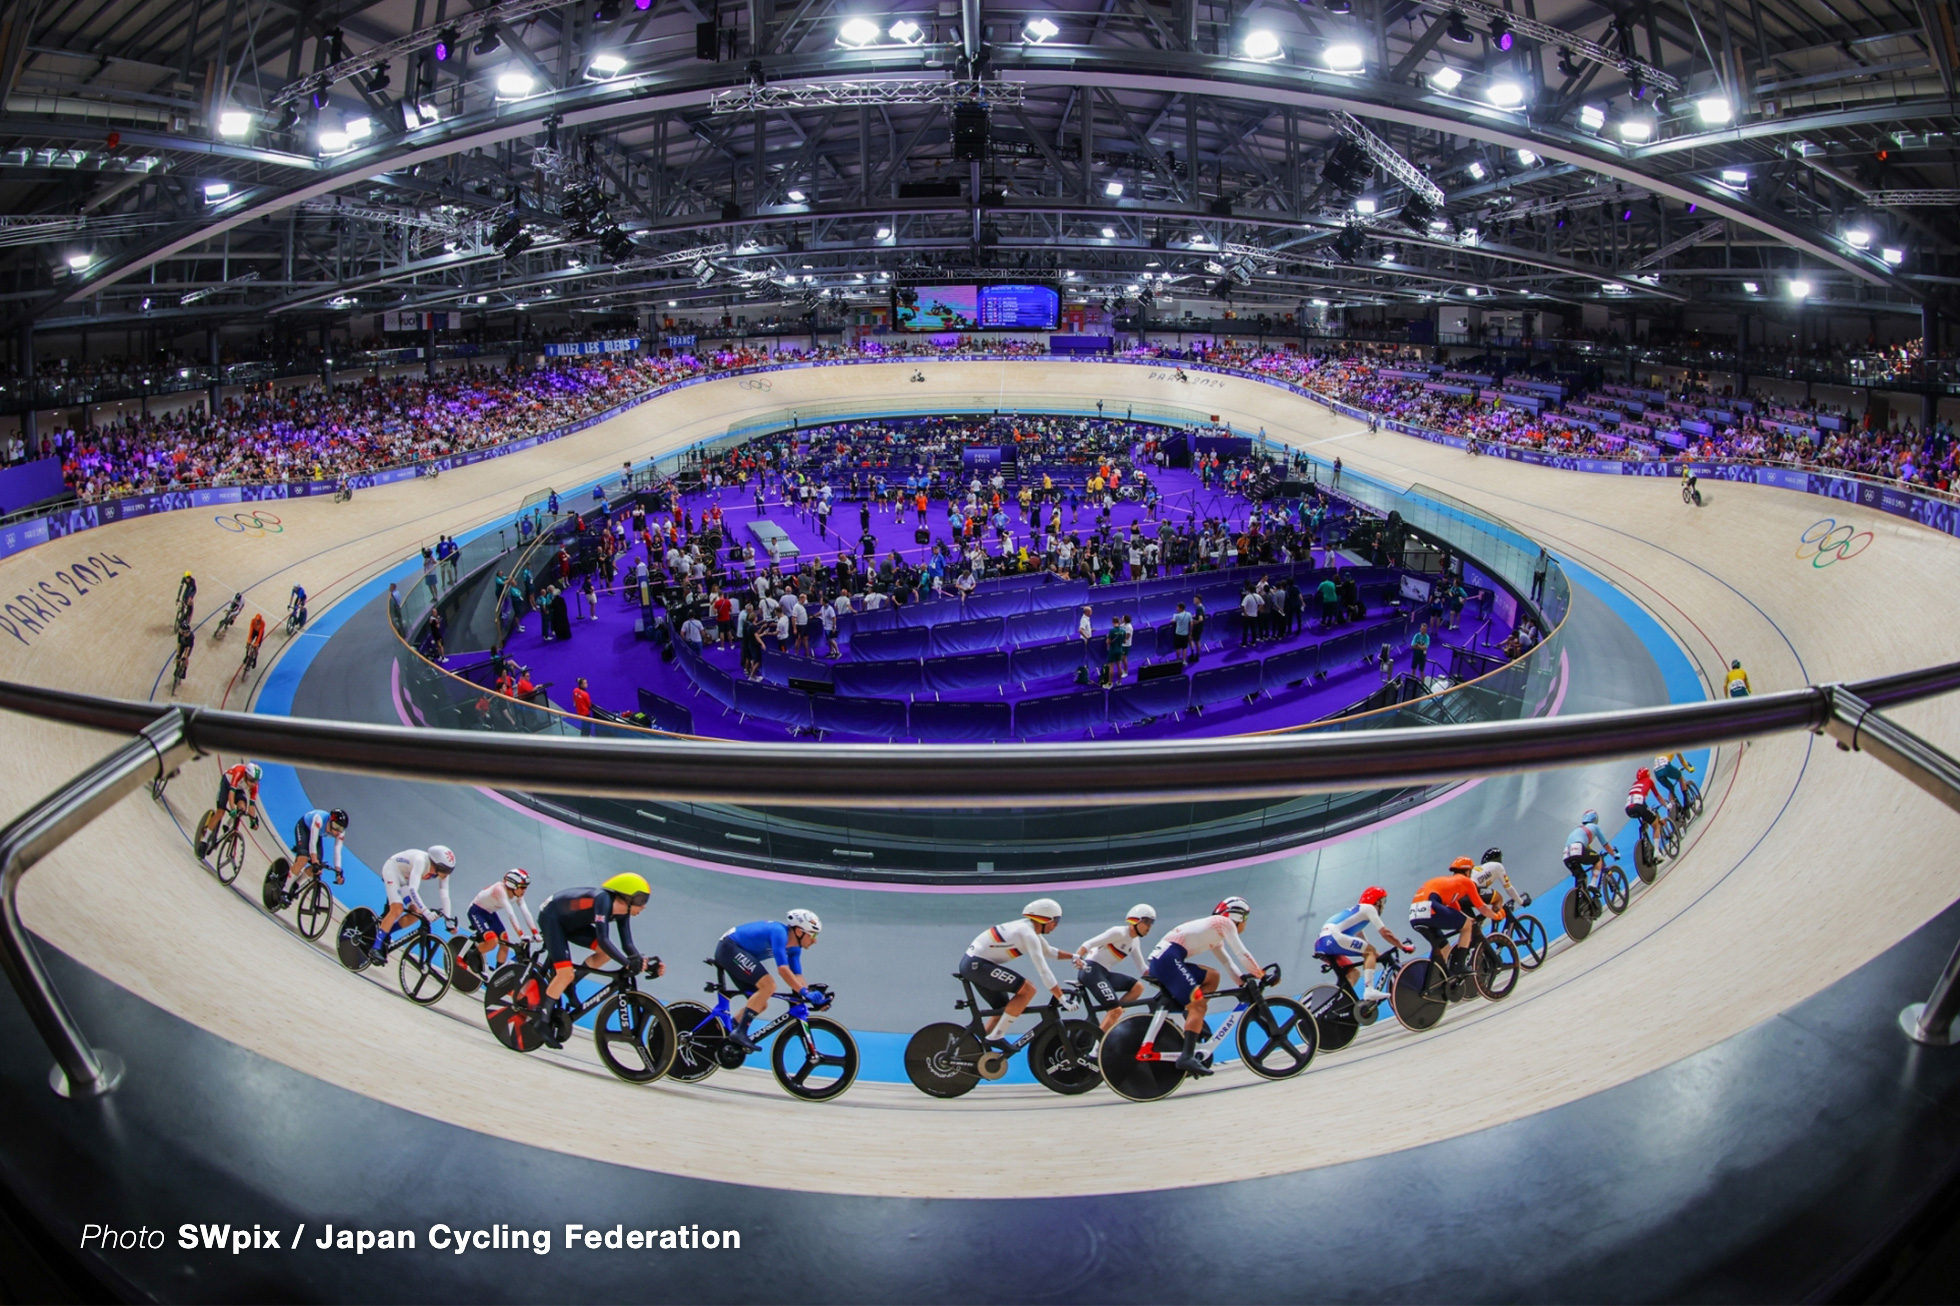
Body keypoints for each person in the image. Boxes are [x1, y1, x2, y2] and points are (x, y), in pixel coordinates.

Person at [1143, 898, 1260, 1075]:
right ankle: (1186, 1057)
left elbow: (1228, 963)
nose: (1245, 925)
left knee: (1212, 976)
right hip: (1167, 960)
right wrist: (1262, 975)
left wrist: (1243, 981)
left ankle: (1189, 1019)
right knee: (1198, 1004)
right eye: (1246, 920)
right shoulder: (1224, 922)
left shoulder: (1215, 932)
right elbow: (1241, 953)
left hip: (1165, 959)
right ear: (1238, 916)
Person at [531, 874, 661, 1026]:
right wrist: (627, 963)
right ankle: (542, 1021)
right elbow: (603, 940)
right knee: (564, 974)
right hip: (552, 918)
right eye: (642, 900)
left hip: (572, 922)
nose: (644, 906)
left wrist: (643, 963)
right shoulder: (603, 900)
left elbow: (628, 945)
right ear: (627, 897)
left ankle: (570, 983)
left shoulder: (623, 912)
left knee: (605, 955)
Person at [960, 899, 1075, 1051]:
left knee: (1004, 1009)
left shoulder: (1028, 928)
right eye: (1056, 920)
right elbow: (1043, 971)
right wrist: (1062, 999)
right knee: (1028, 989)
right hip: (977, 965)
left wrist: (1074, 957)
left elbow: (1049, 951)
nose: (1057, 925)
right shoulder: (1028, 934)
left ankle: (978, 1049)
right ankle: (996, 1037)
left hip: (975, 964)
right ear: (1045, 919)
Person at [715, 909, 824, 1051]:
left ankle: (728, 1031)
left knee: (760, 1003)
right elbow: (783, 970)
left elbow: (797, 976)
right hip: (729, 948)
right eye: (813, 934)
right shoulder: (779, 933)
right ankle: (740, 1032)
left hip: (736, 952)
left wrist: (812, 996)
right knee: (768, 986)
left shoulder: (795, 949)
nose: (815, 940)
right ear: (799, 932)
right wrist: (804, 992)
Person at [1315, 887, 1411, 1005]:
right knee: (1369, 952)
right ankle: (1369, 990)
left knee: (1353, 972)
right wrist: (1402, 946)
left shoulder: (1356, 916)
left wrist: (1378, 957)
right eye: (1383, 901)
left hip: (1322, 942)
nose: (1384, 906)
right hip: (1333, 937)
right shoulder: (1369, 908)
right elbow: (1385, 933)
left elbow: (1364, 944)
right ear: (1376, 902)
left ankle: (1337, 1004)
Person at [1408, 857, 1501, 972]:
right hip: (1429, 907)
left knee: (1444, 948)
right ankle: (1459, 965)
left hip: (1414, 915)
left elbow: (1455, 908)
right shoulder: (1466, 882)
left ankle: (1440, 979)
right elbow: (1482, 908)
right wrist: (1497, 916)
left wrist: (1468, 918)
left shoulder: (1450, 884)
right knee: (1466, 926)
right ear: (1468, 871)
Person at [1073, 905, 1155, 1034]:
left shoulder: (1135, 941)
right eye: (1147, 921)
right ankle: (1095, 1051)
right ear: (1135, 920)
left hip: (1103, 972)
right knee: (1115, 1011)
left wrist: (1165, 975)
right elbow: (1088, 943)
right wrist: (1077, 957)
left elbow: (1143, 969)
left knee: (1137, 988)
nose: (1150, 926)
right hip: (1091, 970)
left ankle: (1110, 1020)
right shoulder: (1118, 932)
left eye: (1152, 922)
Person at [372, 845, 457, 964]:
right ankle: (375, 947)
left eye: (450, 870)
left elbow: (444, 895)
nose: (448, 874)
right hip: (393, 871)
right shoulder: (421, 861)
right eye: (446, 870)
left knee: (416, 913)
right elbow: (413, 890)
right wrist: (427, 912)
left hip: (405, 879)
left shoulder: (442, 872)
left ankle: (387, 932)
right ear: (437, 865)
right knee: (397, 909)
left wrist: (448, 921)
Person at [468, 869, 539, 971]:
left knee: (505, 943)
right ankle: (473, 954)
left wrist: (535, 932)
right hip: (476, 911)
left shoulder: (517, 894)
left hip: (490, 913)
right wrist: (521, 934)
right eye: (522, 887)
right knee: (493, 942)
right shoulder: (499, 890)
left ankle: (497, 976)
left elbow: (526, 912)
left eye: (526, 887)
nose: (524, 890)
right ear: (512, 885)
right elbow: (511, 913)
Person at [196, 760, 262, 856]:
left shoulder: (255, 786)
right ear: (246, 774)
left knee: (242, 808)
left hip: (239, 790)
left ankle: (227, 825)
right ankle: (204, 841)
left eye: (255, 780)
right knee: (220, 813)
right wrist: (232, 809)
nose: (253, 783)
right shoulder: (239, 772)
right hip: (227, 784)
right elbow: (231, 793)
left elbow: (252, 805)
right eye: (251, 779)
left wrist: (253, 821)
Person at [285, 807, 349, 896]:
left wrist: (338, 872)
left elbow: (337, 851)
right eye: (336, 827)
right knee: (303, 859)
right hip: (304, 827)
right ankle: (285, 890)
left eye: (341, 829)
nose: (338, 832)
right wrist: (314, 861)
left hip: (316, 834)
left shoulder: (340, 832)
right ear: (330, 821)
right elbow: (312, 842)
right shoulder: (319, 819)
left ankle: (295, 885)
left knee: (318, 868)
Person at [1562, 810, 1618, 890]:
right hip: (1578, 849)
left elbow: (1588, 850)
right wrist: (1614, 854)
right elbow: (1606, 845)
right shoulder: (1594, 827)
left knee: (1581, 877)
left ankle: (1581, 898)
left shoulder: (1578, 829)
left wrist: (1593, 854)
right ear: (1595, 819)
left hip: (1566, 854)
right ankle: (1593, 883)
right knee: (1598, 859)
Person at [1471, 847, 1529, 916]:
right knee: (1498, 898)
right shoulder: (1498, 866)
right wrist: (1521, 902)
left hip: (1462, 894)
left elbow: (1486, 897)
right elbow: (1509, 888)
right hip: (1472, 890)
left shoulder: (1482, 872)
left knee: (1471, 924)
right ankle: (1495, 917)